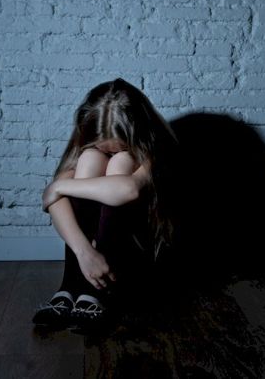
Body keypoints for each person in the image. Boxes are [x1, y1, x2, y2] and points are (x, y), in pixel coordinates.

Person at [32, 78, 180, 331]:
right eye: (106, 149)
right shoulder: (88, 147)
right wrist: (84, 252)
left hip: (139, 248)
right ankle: (73, 287)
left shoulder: (156, 147)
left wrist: (58, 187)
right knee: (89, 158)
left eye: (118, 148)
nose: (109, 155)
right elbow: (56, 204)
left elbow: (129, 189)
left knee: (122, 163)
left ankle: (95, 292)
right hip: (92, 254)